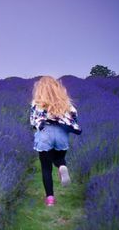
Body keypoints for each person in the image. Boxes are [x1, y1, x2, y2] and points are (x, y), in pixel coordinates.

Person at [29, 76, 82, 206]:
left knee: (46, 168)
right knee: (59, 158)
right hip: (61, 134)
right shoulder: (65, 102)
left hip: (45, 134)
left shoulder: (37, 102)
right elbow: (74, 117)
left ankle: (50, 199)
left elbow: (33, 120)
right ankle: (62, 167)